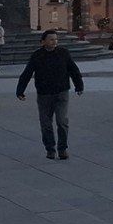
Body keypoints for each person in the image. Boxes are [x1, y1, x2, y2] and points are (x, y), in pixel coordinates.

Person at [15, 31, 84, 160]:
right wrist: (20, 91)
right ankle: (50, 149)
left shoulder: (63, 53)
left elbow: (73, 70)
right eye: (51, 39)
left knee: (62, 121)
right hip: (44, 94)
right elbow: (27, 73)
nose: (54, 42)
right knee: (46, 123)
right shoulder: (37, 56)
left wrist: (79, 85)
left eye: (56, 39)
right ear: (43, 42)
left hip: (61, 93)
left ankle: (62, 149)